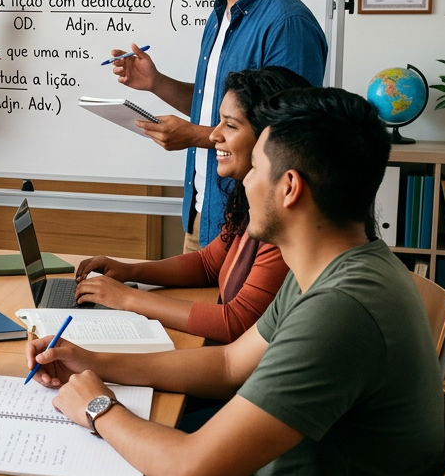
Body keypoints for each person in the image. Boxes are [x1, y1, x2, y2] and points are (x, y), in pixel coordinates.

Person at [27, 88, 444, 476]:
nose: (244, 181)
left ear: (290, 188)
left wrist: (98, 407)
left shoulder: (341, 309)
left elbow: (191, 475)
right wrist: (93, 363)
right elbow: (229, 362)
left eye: (257, 169)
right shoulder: (333, 266)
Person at [110, 0, 327, 252]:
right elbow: (222, 109)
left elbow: (286, 138)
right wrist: (156, 83)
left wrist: (194, 136)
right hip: (204, 215)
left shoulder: (288, 25)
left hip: (252, 231)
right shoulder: (220, 15)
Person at [74, 67, 311, 343]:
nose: (213, 136)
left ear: (271, 138)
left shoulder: (282, 223)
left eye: (230, 125)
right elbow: (209, 264)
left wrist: (127, 298)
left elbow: (236, 322)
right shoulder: (248, 199)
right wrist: (129, 271)